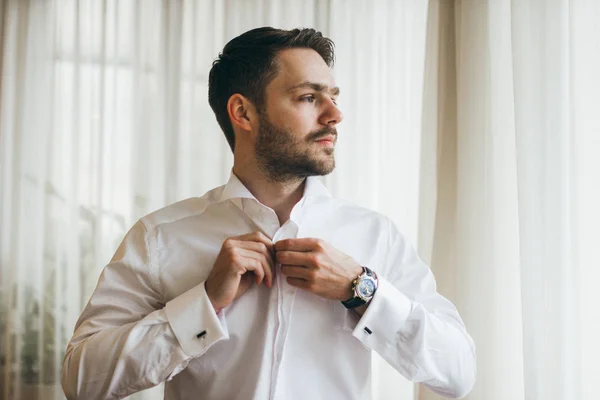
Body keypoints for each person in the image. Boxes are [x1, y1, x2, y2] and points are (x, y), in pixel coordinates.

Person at [61, 27, 476, 400]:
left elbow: (457, 372)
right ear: (243, 112)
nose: (334, 115)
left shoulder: (374, 236)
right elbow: (82, 380)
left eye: (333, 97)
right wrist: (202, 304)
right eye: (309, 98)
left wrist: (361, 289)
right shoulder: (161, 237)